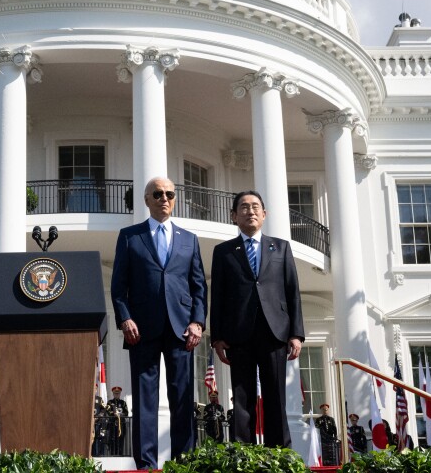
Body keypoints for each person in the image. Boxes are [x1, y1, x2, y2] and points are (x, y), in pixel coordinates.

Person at [111, 176, 208, 469]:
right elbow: (119, 286)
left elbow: (198, 286)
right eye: (157, 194)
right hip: (141, 328)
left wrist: (198, 323)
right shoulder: (129, 236)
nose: (163, 198)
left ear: (174, 199)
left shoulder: (189, 239)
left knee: (182, 397)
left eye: (169, 194)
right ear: (147, 200)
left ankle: (183, 462)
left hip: (182, 329)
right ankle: (146, 464)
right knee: (144, 399)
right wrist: (125, 317)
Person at [210, 190, 304, 448]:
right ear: (233, 216)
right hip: (237, 334)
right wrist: (217, 337)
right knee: (242, 397)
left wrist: (296, 333)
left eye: (255, 207)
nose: (249, 211)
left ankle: (279, 454)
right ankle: (244, 452)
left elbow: (292, 291)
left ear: (264, 214)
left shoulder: (281, 247)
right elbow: (216, 296)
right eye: (243, 207)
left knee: (276, 396)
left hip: (275, 333)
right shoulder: (223, 252)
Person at [106, 386, 129, 456]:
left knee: (121, 440)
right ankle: (113, 454)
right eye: (115, 393)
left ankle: (120, 454)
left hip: (121, 425)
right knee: (112, 440)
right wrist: (113, 414)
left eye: (118, 393)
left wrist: (120, 414)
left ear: (120, 394)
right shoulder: (110, 402)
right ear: (113, 394)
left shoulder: (123, 403)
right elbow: (108, 411)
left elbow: (126, 413)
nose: (117, 395)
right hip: (113, 425)